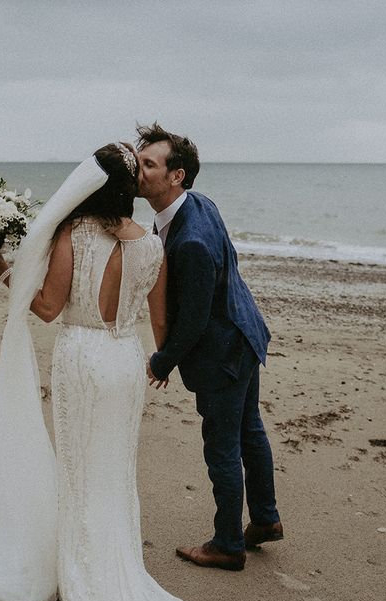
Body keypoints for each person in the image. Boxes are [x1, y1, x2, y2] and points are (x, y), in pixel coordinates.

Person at [0, 143, 230, 601]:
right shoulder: (152, 247)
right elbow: (160, 323)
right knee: (113, 475)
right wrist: (164, 366)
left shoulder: (76, 235)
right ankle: (112, 576)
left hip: (83, 358)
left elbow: (47, 308)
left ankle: (83, 581)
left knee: (79, 470)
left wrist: (1, 269)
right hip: (126, 364)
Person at [138, 123, 283, 572]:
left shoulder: (192, 240)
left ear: (176, 176)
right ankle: (264, 520)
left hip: (224, 349)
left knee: (222, 445)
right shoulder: (197, 204)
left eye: (148, 164)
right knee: (249, 431)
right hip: (243, 331)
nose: (138, 172)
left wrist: (162, 360)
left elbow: (194, 319)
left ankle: (227, 544)